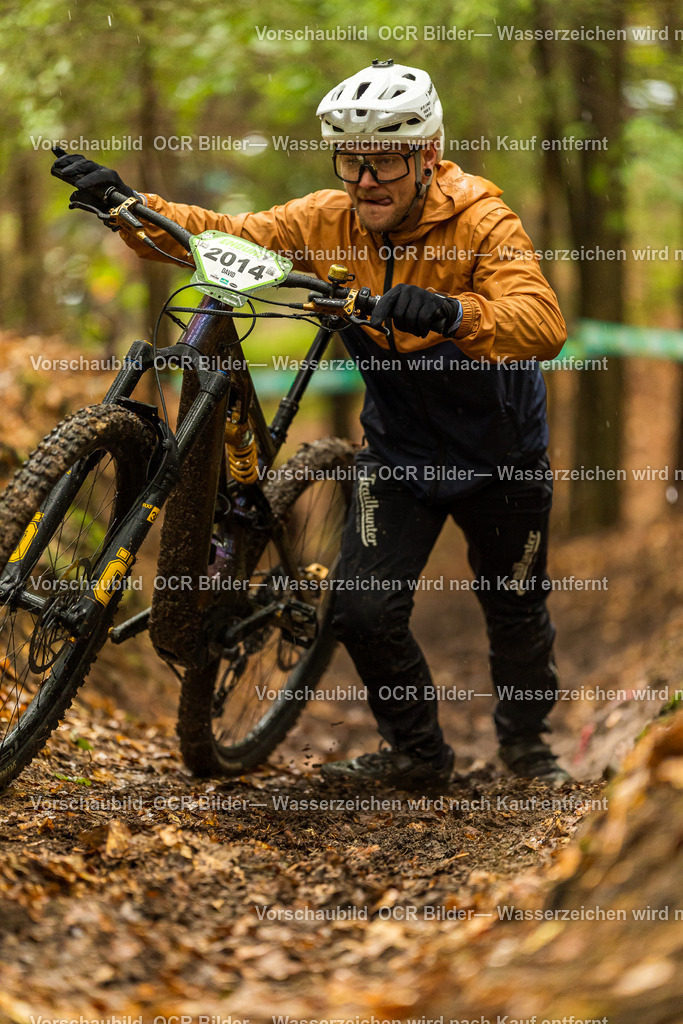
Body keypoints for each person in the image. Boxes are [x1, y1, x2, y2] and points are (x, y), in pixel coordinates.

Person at [52, 59, 571, 789]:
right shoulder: (326, 220)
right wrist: (129, 207)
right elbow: (220, 236)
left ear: (426, 156)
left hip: (500, 452)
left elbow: (542, 321)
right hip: (398, 452)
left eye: (384, 160)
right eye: (351, 160)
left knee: (512, 606)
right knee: (359, 611)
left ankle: (527, 746)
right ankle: (418, 755)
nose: (365, 180)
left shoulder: (482, 219)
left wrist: (455, 311)